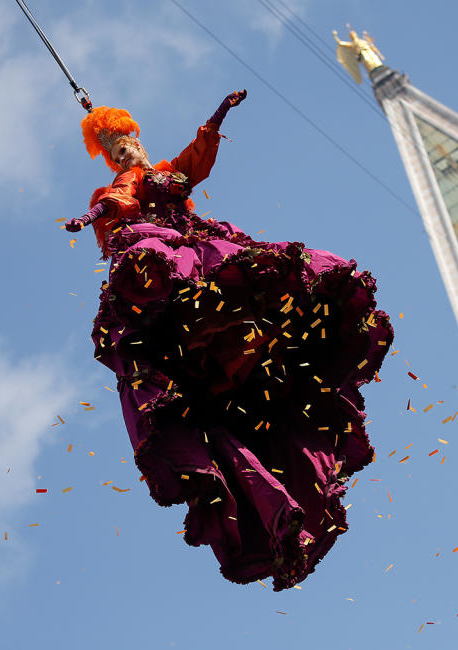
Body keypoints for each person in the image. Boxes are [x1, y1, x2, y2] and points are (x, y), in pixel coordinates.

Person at [67, 90, 393, 591]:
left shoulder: (168, 170)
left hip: (197, 246)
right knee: (167, 284)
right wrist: (89, 218)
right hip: (159, 255)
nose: (121, 153)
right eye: (111, 150)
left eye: (124, 144)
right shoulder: (119, 188)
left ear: (135, 139)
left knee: (256, 280)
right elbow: (117, 204)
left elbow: (197, 160)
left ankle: (242, 339)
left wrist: (219, 114)